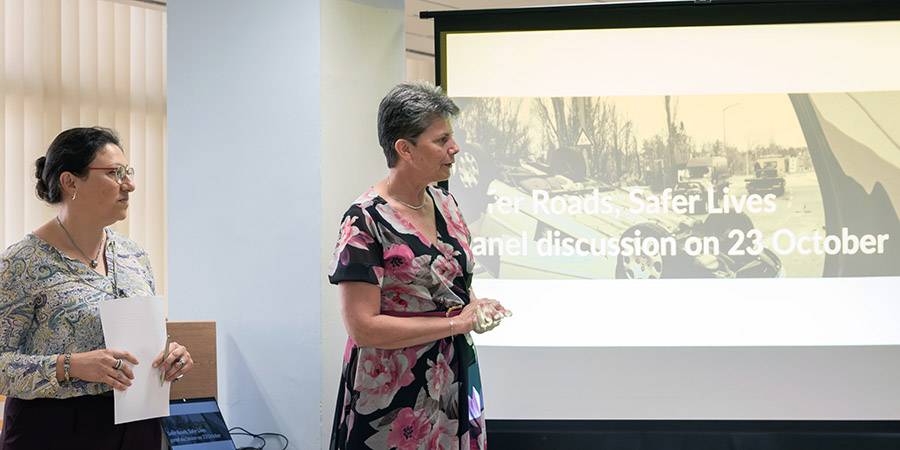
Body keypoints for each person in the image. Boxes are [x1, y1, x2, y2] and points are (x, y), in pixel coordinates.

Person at [328, 82, 511, 450]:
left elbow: (454, 284)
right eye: (441, 140)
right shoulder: (364, 220)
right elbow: (361, 327)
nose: (454, 148)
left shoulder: (446, 203)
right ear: (405, 149)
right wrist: (457, 323)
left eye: (452, 137)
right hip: (393, 394)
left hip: (454, 379)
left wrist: (476, 305)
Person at [0, 127, 194, 450]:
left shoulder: (136, 256)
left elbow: (154, 339)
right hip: (54, 430)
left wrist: (173, 357)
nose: (129, 185)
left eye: (128, 173)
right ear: (70, 182)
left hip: (139, 427)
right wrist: (70, 366)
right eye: (115, 174)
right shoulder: (22, 264)